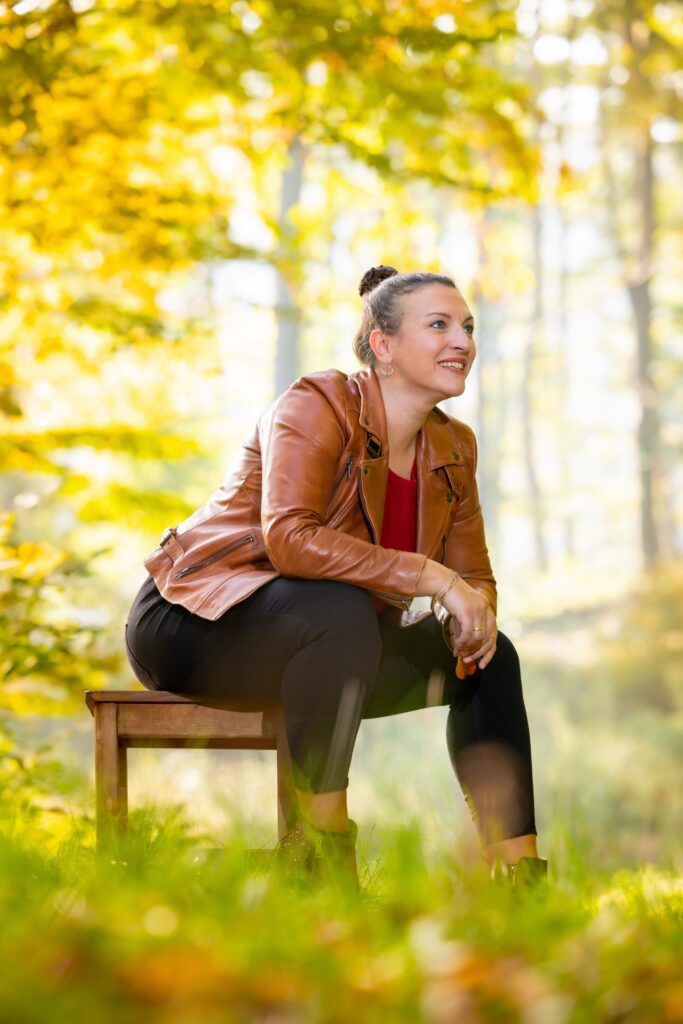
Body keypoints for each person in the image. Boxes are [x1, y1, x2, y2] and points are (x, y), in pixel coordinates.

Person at [124, 265, 547, 893]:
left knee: (491, 657)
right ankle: (322, 859)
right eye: (438, 325)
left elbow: (473, 576)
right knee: (339, 611)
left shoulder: (454, 447)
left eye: (467, 327)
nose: (462, 340)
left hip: (332, 649)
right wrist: (431, 578)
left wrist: (473, 616)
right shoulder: (316, 404)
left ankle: (519, 877)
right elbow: (289, 539)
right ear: (383, 345)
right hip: (194, 621)